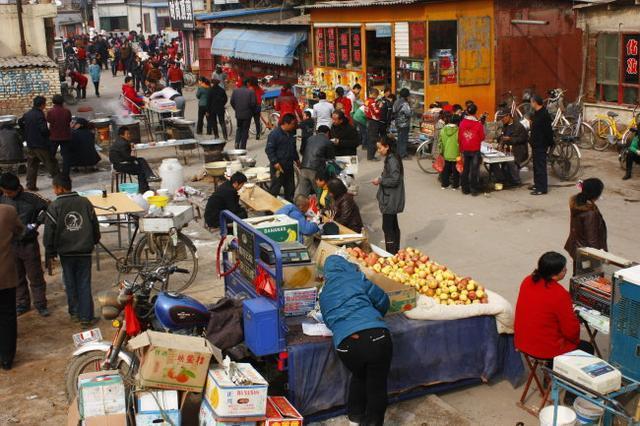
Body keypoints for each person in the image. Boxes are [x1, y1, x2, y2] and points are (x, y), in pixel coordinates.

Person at [319, 254, 392, 426]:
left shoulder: (324, 295)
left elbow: (330, 321)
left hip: (346, 345)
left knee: (359, 376)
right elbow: (382, 300)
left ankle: (354, 419)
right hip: (376, 336)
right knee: (377, 385)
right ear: (347, 265)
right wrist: (373, 318)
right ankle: (372, 422)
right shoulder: (356, 277)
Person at [514, 251, 594, 360]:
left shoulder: (527, 280)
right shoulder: (560, 294)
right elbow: (571, 331)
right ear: (555, 274)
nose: (566, 270)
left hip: (522, 340)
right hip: (545, 349)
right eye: (563, 269)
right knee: (587, 347)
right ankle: (556, 372)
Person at [44, 175, 100, 327]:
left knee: (70, 283)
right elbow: (95, 225)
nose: (54, 191)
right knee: (84, 283)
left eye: (54, 188)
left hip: (66, 252)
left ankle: (75, 313)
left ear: (59, 188)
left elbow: (49, 231)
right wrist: (93, 240)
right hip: (84, 251)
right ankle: (86, 317)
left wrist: (50, 251)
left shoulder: (55, 206)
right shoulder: (85, 202)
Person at [0, 173, 49, 317]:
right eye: (5, 192)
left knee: (35, 276)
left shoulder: (31, 198)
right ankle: (22, 304)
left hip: (29, 245)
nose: (7, 195)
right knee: (17, 277)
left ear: (17, 188)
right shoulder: (2, 199)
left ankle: (40, 304)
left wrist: (36, 223)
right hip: (10, 245)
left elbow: (49, 208)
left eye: (9, 192)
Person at [564, 178, 607, 274]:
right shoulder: (590, 213)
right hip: (586, 253)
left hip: (577, 248)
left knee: (577, 275)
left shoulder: (578, 202)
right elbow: (592, 239)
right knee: (587, 279)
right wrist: (598, 258)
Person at [0, 203, 23, 370]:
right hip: (5, 274)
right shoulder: (7, 211)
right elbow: (20, 231)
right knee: (7, 316)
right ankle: (7, 358)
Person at [372, 136, 405, 254]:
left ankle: (390, 254)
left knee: (387, 227)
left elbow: (395, 180)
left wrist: (381, 181)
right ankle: (395, 252)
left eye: (380, 148)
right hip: (391, 197)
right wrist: (381, 177)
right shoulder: (392, 158)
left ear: (387, 147)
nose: (378, 151)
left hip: (390, 199)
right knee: (393, 225)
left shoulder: (392, 160)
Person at [20, 96, 59, 191]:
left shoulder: (27, 114)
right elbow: (44, 130)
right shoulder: (39, 115)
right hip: (40, 144)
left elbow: (20, 122)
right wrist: (49, 133)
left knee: (32, 165)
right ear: (42, 105)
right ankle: (60, 183)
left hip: (30, 144)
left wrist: (26, 131)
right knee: (51, 163)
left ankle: (31, 185)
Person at [109, 127, 158, 193]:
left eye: (129, 133)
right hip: (121, 165)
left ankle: (149, 177)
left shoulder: (119, 141)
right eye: (127, 134)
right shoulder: (124, 143)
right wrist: (134, 158)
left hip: (118, 164)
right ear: (122, 135)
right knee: (141, 169)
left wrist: (130, 147)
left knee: (141, 160)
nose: (129, 135)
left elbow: (125, 154)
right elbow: (128, 158)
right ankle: (145, 188)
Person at [266, 113, 299, 202]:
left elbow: (293, 148)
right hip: (278, 167)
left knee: (290, 188)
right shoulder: (274, 134)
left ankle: (289, 206)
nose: (294, 126)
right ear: (286, 123)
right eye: (292, 124)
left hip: (289, 166)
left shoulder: (291, 133)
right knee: (275, 189)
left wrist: (297, 160)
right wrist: (275, 162)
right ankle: (269, 210)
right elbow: (269, 150)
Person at [296, 125, 334, 197]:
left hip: (304, 167)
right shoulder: (327, 141)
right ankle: (322, 207)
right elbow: (331, 158)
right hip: (316, 169)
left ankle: (300, 206)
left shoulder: (310, 138)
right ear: (327, 133)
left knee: (303, 192)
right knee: (319, 192)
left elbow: (302, 151)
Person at [529, 94, 554, 195]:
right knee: (535, 165)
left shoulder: (544, 114)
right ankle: (537, 184)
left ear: (535, 102)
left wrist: (549, 143)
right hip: (535, 143)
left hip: (541, 144)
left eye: (531, 102)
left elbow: (548, 131)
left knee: (540, 166)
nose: (531, 104)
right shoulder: (537, 113)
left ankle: (542, 188)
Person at [459, 103, 485, 196]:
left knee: (465, 169)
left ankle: (465, 189)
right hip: (475, 149)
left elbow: (460, 137)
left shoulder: (462, 123)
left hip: (465, 148)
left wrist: (461, 148)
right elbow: (482, 137)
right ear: (475, 112)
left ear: (467, 111)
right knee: (474, 170)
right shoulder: (478, 124)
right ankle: (474, 190)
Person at [46, 95, 73, 176]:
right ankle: (66, 173)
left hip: (54, 137)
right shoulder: (67, 111)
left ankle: (53, 173)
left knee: (51, 156)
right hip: (65, 136)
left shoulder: (50, 112)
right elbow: (69, 120)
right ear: (62, 102)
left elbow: (49, 121)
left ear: (53, 102)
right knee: (66, 156)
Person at [230, 79, 256, 150]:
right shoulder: (251, 92)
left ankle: (237, 143)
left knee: (239, 128)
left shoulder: (235, 91)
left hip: (238, 113)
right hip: (247, 114)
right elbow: (253, 104)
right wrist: (251, 110)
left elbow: (232, 102)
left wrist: (236, 108)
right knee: (245, 130)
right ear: (247, 83)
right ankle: (243, 147)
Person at [439, 112, 460, 189]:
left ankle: (444, 184)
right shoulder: (458, 130)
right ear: (458, 122)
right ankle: (455, 185)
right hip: (456, 154)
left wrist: (442, 151)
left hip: (446, 153)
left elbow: (440, 142)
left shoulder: (443, 130)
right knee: (455, 170)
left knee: (446, 169)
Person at [392, 88, 412, 159]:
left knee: (399, 139)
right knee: (403, 139)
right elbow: (408, 113)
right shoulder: (405, 103)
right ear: (406, 96)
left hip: (397, 123)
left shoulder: (396, 102)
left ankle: (399, 153)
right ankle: (402, 154)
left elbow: (393, 110)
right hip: (404, 124)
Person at [364, 88, 383, 161]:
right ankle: (371, 156)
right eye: (376, 95)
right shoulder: (372, 102)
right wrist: (380, 107)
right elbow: (376, 112)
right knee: (373, 139)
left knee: (370, 138)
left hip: (369, 120)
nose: (377, 96)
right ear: (374, 94)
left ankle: (370, 156)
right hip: (373, 121)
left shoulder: (367, 101)